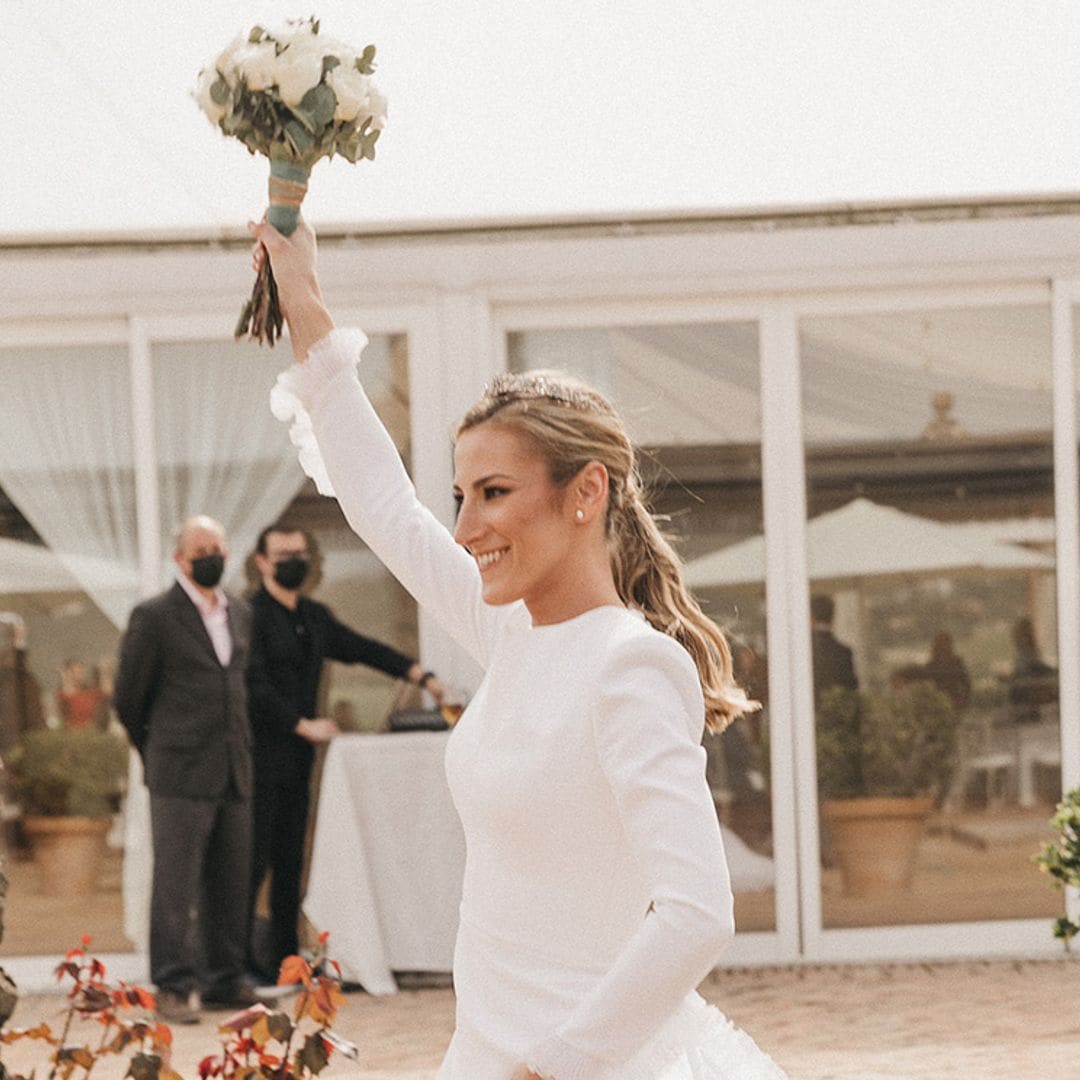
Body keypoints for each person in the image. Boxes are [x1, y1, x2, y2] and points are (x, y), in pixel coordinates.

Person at [250, 216, 787, 1079]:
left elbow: (698, 911)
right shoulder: (513, 630)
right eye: (462, 495)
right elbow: (386, 507)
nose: (465, 528)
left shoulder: (631, 666)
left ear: (586, 493)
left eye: (493, 493)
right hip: (485, 1051)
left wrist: (557, 1065)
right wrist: (303, 296)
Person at [246, 521, 448, 983]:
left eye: (300, 553)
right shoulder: (250, 617)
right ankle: (241, 967)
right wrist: (302, 725)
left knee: (291, 864)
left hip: (299, 763)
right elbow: (252, 686)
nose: (293, 561)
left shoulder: (314, 618)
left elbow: (361, 649)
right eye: (282, 555)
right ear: (262, 563)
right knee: (253, 865)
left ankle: (285, 964)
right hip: (259, 759)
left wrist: (421, 675)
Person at [113, 515, 256, 1025]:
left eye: (218, 545)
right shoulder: (154, 617)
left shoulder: (239, 612)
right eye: (201, 548)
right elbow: (129, 698)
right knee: (176, 884)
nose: (211, 555)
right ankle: (173, 985)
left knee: (231, 880)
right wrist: (158, 750)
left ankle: (224, 980)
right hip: (178, 771)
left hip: (233, 768)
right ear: (179, 558)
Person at [809, 593, 858, 706]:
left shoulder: (804, 652)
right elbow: (850, 688)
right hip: (836, 714)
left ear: (811, 616)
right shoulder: (844, 652)